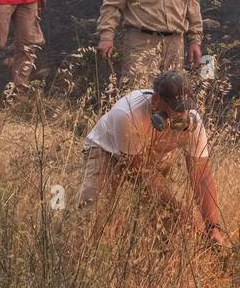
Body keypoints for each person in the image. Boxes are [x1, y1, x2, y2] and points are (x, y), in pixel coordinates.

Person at [77, 70, 229, 247]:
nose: (181, 115)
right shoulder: (128, 115)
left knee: (166, 220)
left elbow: (201, 175)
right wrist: (180, 209)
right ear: (156, 101)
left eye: (185, 107)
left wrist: (212, 227)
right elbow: (140, 174)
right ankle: (79, 257)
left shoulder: (194, 125)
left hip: (150, 155)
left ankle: (156, 262)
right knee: (92, 212)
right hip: (106, 151)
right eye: (176, 108)